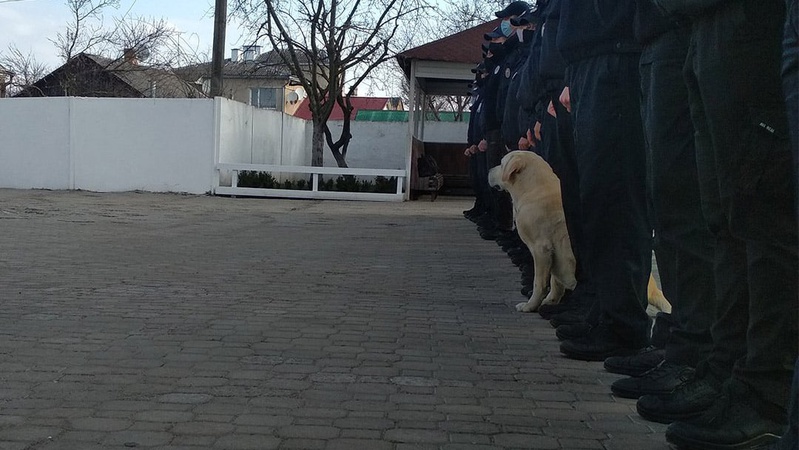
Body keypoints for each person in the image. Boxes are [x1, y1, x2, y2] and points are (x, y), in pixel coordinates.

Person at [638, 0, 798, 448]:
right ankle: (729, 368)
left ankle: (767, 391)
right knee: (722, 218)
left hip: (747, 21)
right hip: (700, 27)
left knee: (761, 212)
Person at [603, 0, 717, 400]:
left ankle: (698, 351)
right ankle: (679, 337)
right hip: (659, 35)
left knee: (689, 206)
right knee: (667, 206)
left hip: (685, 27)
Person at [554, 0, 653, 361]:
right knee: (596, 199)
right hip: (591, 57)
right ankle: (608, 311)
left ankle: (624, 324)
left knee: (615, 198)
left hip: (614, 54)